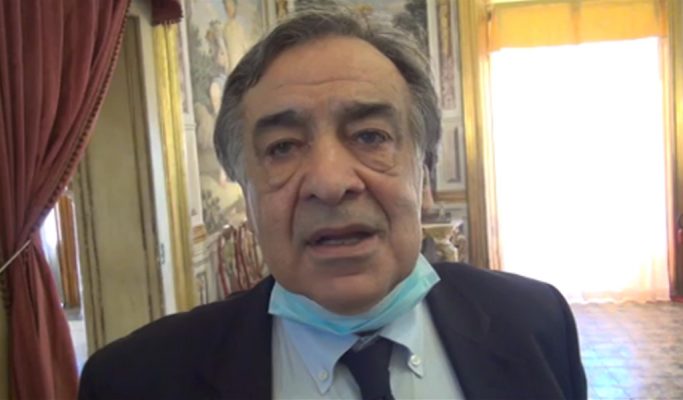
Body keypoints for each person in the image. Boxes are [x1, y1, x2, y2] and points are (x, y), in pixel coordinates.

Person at [78, 5, 587, 400]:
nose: (330, 182)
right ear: (245, 189)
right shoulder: (133, 381)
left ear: (424, 169)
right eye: (283, 147)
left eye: (369, 136)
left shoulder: (536, 322)